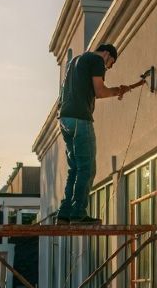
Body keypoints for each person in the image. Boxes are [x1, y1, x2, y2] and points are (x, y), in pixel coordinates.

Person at [56, 44, 131, 225]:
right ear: (106, 54)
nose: (107, 68)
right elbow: (100, 90)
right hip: (80, 119)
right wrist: (116, 91)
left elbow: (88, 91)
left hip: (65, 119)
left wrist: (115, 90)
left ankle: (64, 214)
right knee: (87, 168)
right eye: (109, 64)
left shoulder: (75, 61)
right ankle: (78, 214)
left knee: (75, 168)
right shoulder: (97, 60)